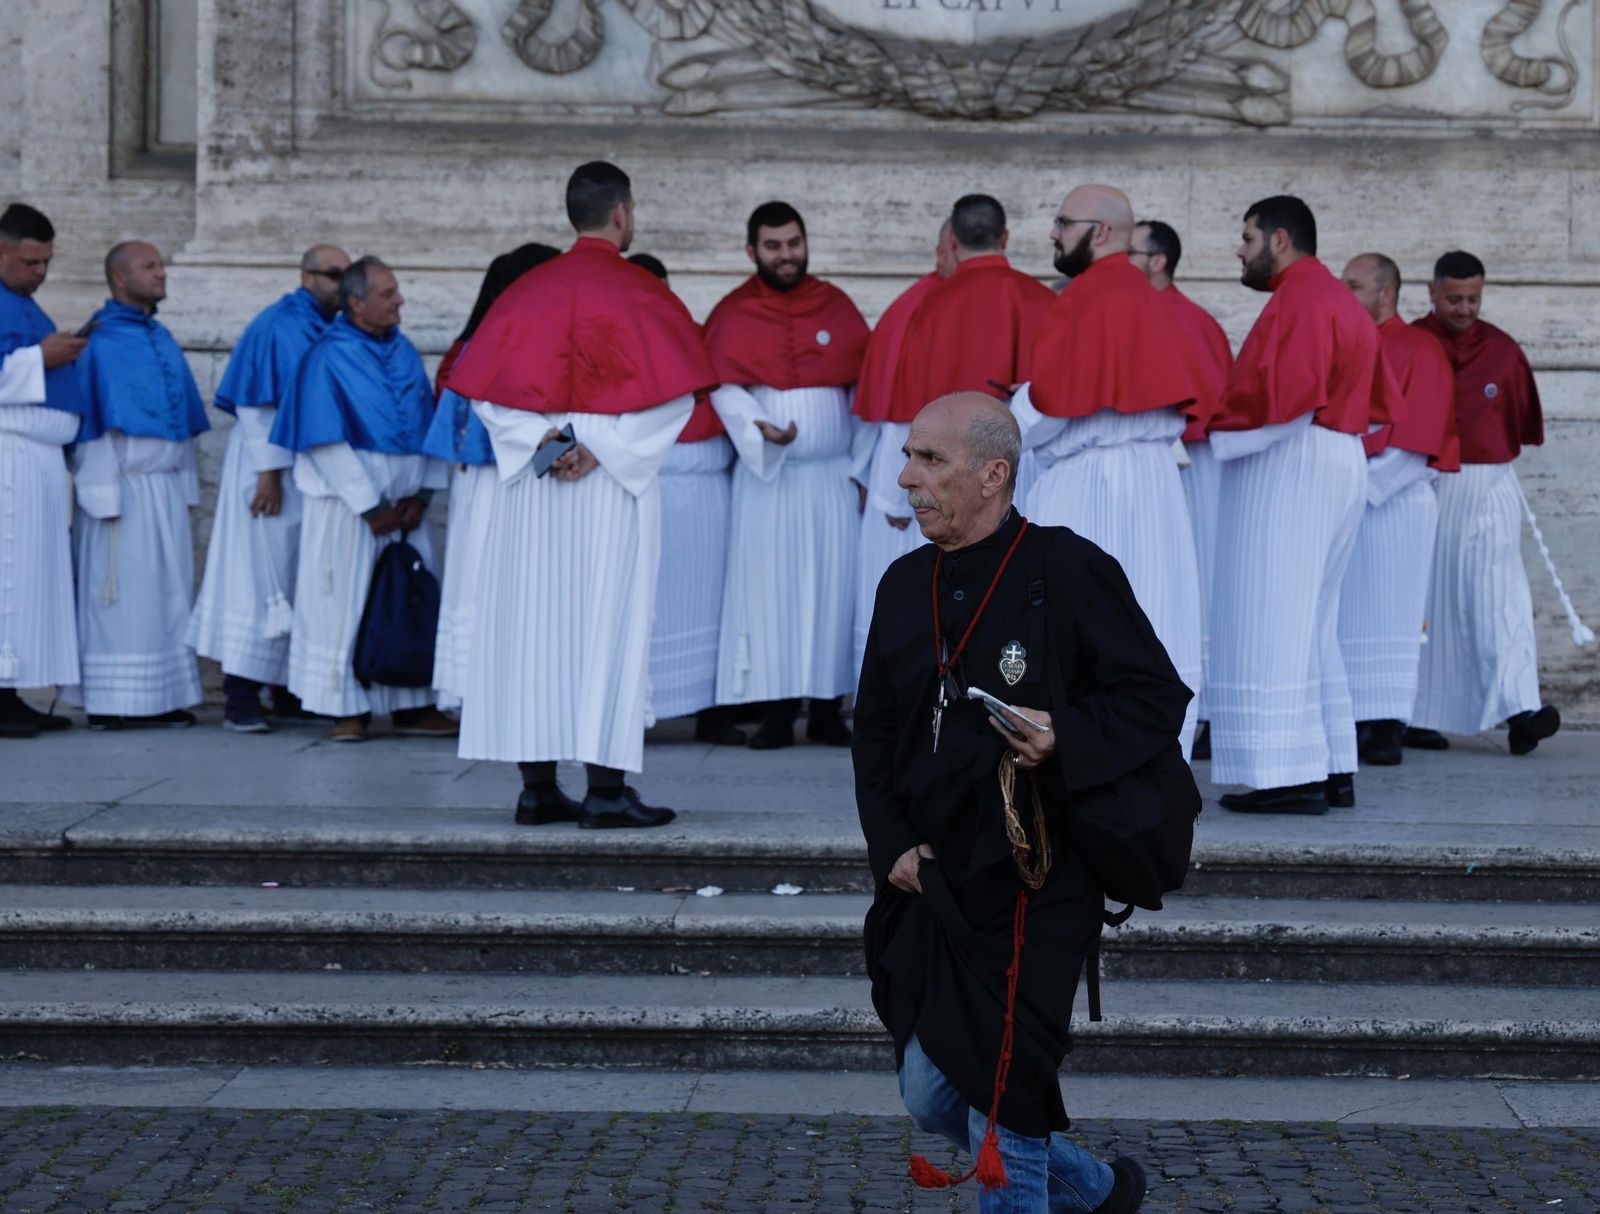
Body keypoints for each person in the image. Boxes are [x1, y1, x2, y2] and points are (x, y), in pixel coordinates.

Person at [857, 391, 1186, 1214]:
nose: (906, 479)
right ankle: (1102, 1190)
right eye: (909, 457)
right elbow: (877, 733)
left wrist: (1064, 736)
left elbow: (1153, 698)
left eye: (930, 460)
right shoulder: (903, 585)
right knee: (933, 1094)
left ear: (994, 473)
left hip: (1039, 877)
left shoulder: (1069, 570)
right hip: (934, 878)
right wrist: (890, 845)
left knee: (1006, 1087)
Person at [446, 160, 717, 827]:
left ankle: (536, 790)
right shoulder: (644, 292)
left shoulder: (524, 291)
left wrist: (551, 452)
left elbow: (488, 398)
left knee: (528, 632)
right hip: (611, 489)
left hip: (535, 484)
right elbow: (674, 397)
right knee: (610, 628)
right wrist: (603, 452)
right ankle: (603, 792)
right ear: (621, 213)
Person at [1208, 196, 1390, 812]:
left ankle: (1285, 774)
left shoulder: (1302, 298)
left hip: (1294, 457)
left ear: (1280, 239)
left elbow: (1288, 398)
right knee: (1313, 624)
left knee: (1274, 612)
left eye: (1246, 235)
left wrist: (1220, 435)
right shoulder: (1338, 298)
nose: (1240, 248)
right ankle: (1334, 765)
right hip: (1339, 456)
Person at [1012, 184, 1207, 757]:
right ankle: (1150, 750)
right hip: (1152, 483)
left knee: (1074, 622)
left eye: (1062, 222)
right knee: (1151, 610)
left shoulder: (1089, 295)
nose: (1053, 233)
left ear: (1099, 232)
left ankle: (1076, 746)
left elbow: (1050, 406)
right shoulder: (1147, 296)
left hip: (1092, 483)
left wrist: (999, 430)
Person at [271, 255, 456, 743]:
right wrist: (369, 506)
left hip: (405, 510)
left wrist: (423, 493)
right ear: (355, 303)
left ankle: (410, 704)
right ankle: (344, 707)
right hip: (348, 509)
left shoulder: (405, 351)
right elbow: (324, 439)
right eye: (387, 293)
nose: (399, 301)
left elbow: (428, 425)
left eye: (396, 291)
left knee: (408, 601)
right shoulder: (326, 357)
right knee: (342, 606)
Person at [708, 200, 871, 750]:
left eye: (794, 243)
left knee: (831, 593)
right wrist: (759, 429)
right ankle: (776, 712)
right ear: (752, 250)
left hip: (830, 478)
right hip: (766, 480)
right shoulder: (732, 313)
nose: (786, 255)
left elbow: (862, 394)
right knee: (767, 594)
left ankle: (827, 709)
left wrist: (862, 469)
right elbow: (723, 390)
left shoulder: (837, 305)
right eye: (774, 246)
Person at [187, 244, 350, 732]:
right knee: (258, 576)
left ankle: (286, 690)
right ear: (307, 277)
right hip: (269, 466)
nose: (342, 283)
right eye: (332, 274)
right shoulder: (280, 325)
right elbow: (260, 408)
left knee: (295, 574)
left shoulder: (323, 324)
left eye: (346, 274)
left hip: (302, 463)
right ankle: (239, 696)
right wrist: (268, 474)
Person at [1409, 251, 1561, 755]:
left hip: (1489, 482)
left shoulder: (1502, 349)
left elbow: (1518, 422)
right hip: (1425, 482)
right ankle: (1411, 714)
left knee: (1501, 594)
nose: (1464, 308)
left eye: (1473, 298)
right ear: (1432, 293)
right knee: (1422, 602)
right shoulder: (1411, 342)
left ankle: (1522, 709)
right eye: (1454, 298)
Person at [68, 242, 209, 729]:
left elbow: (181, 423)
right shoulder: (100, 343)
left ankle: (163, 697)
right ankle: (114, 701)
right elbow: (94, 427)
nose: (162, 273)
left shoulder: (161, 337)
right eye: (150, 267)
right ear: (121, 279)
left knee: (168, 597)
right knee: (123, 599)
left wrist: (187, 487)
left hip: (164, 489)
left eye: (160, 265)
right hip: (121, 491)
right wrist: (100, 495)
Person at [423, 242, 560, 711]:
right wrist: (563, 458)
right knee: (491, 584)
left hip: (493, 480)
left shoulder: (477, 345)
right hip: (502, 482)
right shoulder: (503, 347)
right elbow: (525, 431)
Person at [1338, 253, 1459, 765]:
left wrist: (1353, 490)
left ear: (1385, 293)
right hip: (1352, 499)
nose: (1343, 294)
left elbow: (1416, 442)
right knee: (1352, 615)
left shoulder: (1420, 349)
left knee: (1391, 613)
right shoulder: (1352, 345)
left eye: (1354, 285)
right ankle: (1354, 716)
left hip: (1395, 501)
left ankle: (1386, 723)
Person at [626, 253, 745, 744]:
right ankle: (633, 711)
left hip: (706, 494)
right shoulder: (615, 346)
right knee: (641, 606)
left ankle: (711, 711)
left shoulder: (701, 339)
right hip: (645, 489)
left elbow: (729, 397)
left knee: (711, 604)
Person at [1130, 219, 1233, 760]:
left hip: (1193, 465)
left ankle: (1209, 709)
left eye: (1133, 251)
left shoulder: (1189, 321)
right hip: (1155, 471)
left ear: (1158, 261)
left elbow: (1207, 400)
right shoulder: (1132, 314)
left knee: (1198, 587)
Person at [850, 221, 953, 676]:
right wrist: (894, 494)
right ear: (942, 249)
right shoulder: (921, 306)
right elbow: (897, 409)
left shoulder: (948, 302)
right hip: (910, 488)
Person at [0, 203, 85, 738]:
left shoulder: (27, 307)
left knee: (30, 581)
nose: (41, 273)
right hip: (8, 456)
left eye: (47, 262)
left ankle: (13, 691)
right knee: (7, 578)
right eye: (31, 262)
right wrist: (40, 359)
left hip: (40, 462)